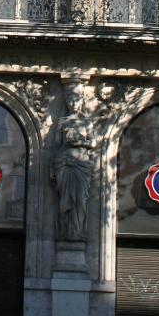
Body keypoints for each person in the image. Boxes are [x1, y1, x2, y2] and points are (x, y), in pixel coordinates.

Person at [51, 82, 98, 241]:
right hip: (63, 163)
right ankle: (65, 233)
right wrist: (52, 167)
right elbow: (57, 145)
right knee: (65, 201)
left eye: (76, 100)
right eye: (70, 100)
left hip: (82, 164)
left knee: (80, 200)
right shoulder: (62, 121)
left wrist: (79, 142)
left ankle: (78, 233)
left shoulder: (87, 122)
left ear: (82, 100)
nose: (73, 103)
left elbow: (93, 143)